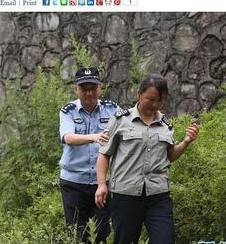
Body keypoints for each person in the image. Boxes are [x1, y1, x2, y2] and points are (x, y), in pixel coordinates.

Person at [94, 74, 200, 244]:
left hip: (158, 194)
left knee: (164, 239)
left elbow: (169, 156)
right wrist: (101, 184)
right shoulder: (120, 120)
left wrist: (186, 142)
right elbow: (104, 154)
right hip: (126, 194)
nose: (155, 104)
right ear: (139, 94)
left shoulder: (165, 125)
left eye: (160, 100)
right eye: (151, 99)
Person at [59, 67, 121, 243]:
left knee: (102, 231)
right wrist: (94, 137)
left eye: (93, 88)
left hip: (101, 182)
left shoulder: (112, 108)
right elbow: (68, 138)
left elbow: (129, 124)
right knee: (77, 233)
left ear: (100, 88)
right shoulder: (67, 111)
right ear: (76, 89)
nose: (89, 93)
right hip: (73, 182)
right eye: (84, 88)